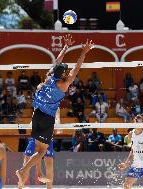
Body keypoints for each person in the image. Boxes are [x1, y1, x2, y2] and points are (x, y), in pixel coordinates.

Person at [16, 35, 94, 187]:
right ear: (63, 74)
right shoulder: (64, 84)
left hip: (36, 114)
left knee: (39, 150)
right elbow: (77, 68)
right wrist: (83, 52)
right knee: (42, 151)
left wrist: (65, 47)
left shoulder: (48, 78)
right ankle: (23, 170)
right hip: (47, 119)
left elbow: (57, 61)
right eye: (65, 71)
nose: (66, 71)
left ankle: (34, 173)